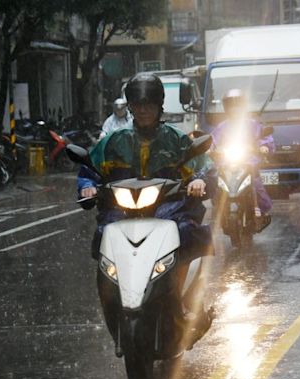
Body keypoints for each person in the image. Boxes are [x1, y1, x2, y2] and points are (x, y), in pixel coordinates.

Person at [77, 74, 216, 341]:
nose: (143, 110)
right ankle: (113, 298)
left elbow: (204, 167)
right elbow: (90, 169)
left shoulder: (176, 139)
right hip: (121, 211)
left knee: (187, 232)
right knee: (102, 236)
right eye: (137, 104)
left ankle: (184, 299)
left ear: (159, 106)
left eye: (149, 104)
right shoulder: (113, 141)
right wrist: (88, 185)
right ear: (130, 106)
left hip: (168, 209)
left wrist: (198, 181)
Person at [211, 89, 274, 228]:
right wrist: (209, 150)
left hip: (248, 161)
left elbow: (264, 137)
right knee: (215, 184)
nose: (234, 109)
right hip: (227, 162)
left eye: (237, 105)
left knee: (256, 185)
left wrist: (264, 147)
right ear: (226, 108)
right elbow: (213, 141)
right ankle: (220, 211)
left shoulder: (252, 124)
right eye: (231, 105)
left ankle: (261, 211)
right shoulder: (222, 127)